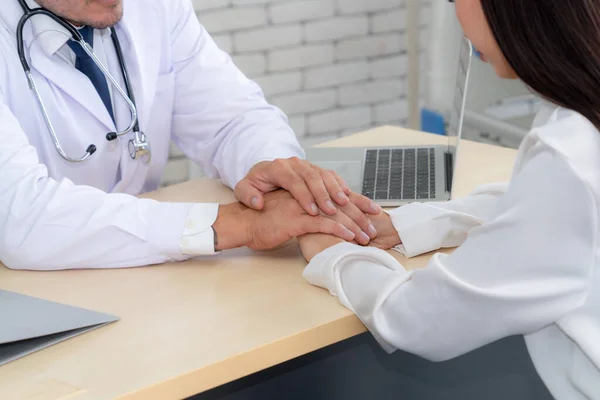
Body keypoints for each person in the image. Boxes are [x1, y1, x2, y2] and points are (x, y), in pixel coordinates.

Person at [298, 0, 600, 399]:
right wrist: (412, 223)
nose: (457, 14)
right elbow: (533, 208)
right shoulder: (576, 125)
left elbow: (418, 320)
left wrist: (334, 253)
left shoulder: (569, 161)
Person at [0, 0, 382, 270]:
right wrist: (240, 225)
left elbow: (233, 118)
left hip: (132, 270)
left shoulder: (155, 8)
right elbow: (22, 219)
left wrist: (277, 180)